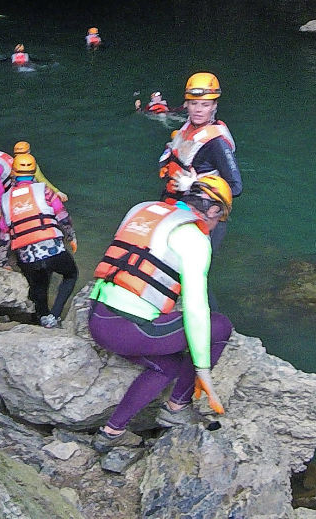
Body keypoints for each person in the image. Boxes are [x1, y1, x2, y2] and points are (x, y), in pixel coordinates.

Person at [87, 176, 235, 449]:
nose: (216, 225)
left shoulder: (143, 210)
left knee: (167, 365)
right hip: (129, 329)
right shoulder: (194, 237)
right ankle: (178, 406)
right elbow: (196, 307)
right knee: (220, 325)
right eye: (220, 218)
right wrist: (203, 368)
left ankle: (110, 432)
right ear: (213, 210)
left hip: (97, 318)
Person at [157, 72, 241, 250]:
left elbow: (235, 186)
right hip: (175, 207)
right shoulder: (188, 126)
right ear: (186, 104)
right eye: (193, 103)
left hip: (202, 218)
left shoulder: (217, 142)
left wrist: (195, 184)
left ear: (214, 106)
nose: (198, 109)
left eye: (205, 104)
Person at [0, 153, 78, 327]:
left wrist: (2, 261)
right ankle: (55, 315)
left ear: (13, 173)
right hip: (52, 250)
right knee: (71, 274)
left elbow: (4, 234)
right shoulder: (44, 190)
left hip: (28, 257)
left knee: (39, 285)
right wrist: (71, 237)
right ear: (34, 172)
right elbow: (62, 216)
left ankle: (41, 317)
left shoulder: (5, 199)